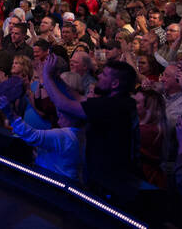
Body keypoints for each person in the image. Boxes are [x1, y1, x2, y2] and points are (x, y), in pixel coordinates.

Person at [41, 54, 138, 195]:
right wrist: (56, 78)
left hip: (108, 182)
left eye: (104, 75)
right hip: (109, 178)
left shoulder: (112, 106)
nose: (99, 77)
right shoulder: (121, 102)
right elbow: (78, 97)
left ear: (115, 84)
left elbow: (63, 105)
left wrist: (46, 77)